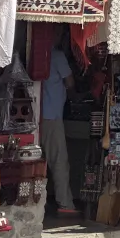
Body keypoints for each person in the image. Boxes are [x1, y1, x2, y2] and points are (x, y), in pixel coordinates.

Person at [40, 27, 80, 217]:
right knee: (59, 161)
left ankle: (42, 199)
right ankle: (65, 203)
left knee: (41, 160)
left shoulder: (38, 55)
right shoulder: (57, 56)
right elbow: (70, 82)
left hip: (40, 115)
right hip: (52, 116)